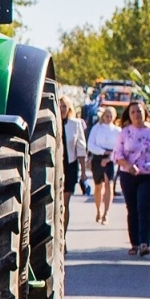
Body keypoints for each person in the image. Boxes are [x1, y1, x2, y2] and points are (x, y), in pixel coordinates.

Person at [112, 99, 150, 257]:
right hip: (129, 175)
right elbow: (117, 154)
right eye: (133, 112)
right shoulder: (125, 132)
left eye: (139, 111)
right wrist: (128, 165)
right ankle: (135, 243)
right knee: (132, 209)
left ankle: (145, 243)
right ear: (129, 115)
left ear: (145, 113)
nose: (136, 114)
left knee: (145, 207)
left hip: (149, 175)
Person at [86, 106, 120, 225]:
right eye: (107, 116)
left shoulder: (117, 130)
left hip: (111, 158)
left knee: (109, 184)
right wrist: (102, 152)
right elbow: (90, 145)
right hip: (98, 157)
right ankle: (98, 210)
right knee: (98, 186)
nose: (108, 118)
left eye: (111, 116)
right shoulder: (97, 128)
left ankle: (106, 213)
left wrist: (109, 157)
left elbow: (119, 148)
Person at [59, 96, 87, 234]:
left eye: (64, 106)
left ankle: (63, 235)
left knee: (64, 203)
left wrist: (83, 172)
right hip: (56, 165)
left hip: (70, 165)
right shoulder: (51, 124)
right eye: (59, 106)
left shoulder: (75, 124)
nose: (62, 109)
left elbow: (80, 148)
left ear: (69, 108)